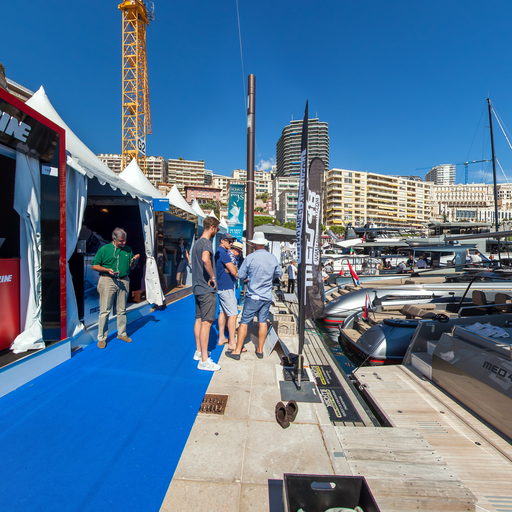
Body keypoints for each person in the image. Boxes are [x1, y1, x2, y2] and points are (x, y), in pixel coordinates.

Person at [226, 232, 282, 360]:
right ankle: (260, 350)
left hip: (253, 296)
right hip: (266, 296)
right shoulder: (272, 258)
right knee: (263, 322)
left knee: (244, 322)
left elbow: (241, 275)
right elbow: (278, 273)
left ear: (254, 244)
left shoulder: (250, 258)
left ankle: (237, 351)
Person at [92, 227, 140, 349]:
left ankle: (122, 334)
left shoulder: (128, 249)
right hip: (107, 280)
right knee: (105, 311)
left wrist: (134, 262)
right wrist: (107, 269)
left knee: (122, 309)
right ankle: (102, 338)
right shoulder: (104, 249)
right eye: (121, 241)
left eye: (125, 240)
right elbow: (95, 266)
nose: (124, 243)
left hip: (124, 280)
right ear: (114, 239)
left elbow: (131, 267)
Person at [191, 216, 221, 371]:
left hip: (197, 286)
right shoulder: (206, 243)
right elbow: (205, 259)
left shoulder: (196, 243)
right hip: (206, 288)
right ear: (213, 228)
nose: (217, 232)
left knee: (199, 319)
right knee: (207, 322)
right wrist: (213, 276)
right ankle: (204, 360)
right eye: (217, 229)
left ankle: (199, 351)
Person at [214, 234, 239, 350]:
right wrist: (233, 269)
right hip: (226, 286)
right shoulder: (224, 253)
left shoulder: (219, 252)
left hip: (222, 286)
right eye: (229, 241)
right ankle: (232, 342)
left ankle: (221, 338)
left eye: (232, 241)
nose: (231, 243)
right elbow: (234, 271)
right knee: (233, 314)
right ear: (222, 241)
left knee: (222, 312)